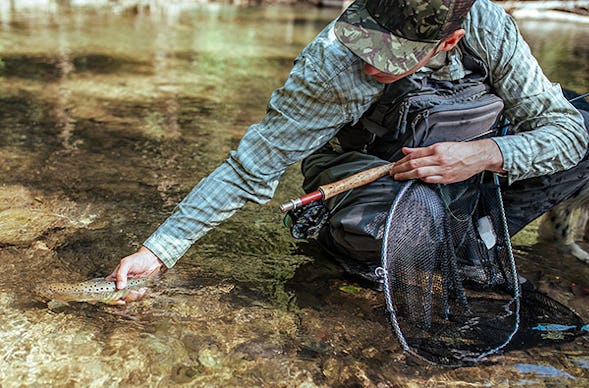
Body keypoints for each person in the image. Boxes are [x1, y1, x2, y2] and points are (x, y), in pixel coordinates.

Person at [109, 0, 589, 297]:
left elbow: (566, 132)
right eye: (367, 45)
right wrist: (159, 250)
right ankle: (449, 243)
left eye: (393, 56)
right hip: (375, 175)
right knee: (397, 228)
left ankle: (488, 237)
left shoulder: (489, 28)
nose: (372, 66)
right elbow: (250, 167)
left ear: (450, 40)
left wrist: (488, 154)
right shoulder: (332, 65)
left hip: (475, 167)